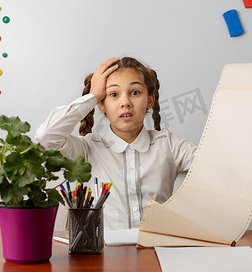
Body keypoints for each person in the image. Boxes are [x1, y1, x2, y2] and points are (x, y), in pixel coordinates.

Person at [36, 57, 196, 230]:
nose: (125, 102)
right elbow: (46, 136)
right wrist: (93, 97)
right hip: (104, 255)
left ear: (150, 100)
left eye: (135, 92)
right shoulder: (88, 149)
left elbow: (215, 163)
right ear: (102, 105)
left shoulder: (169, 144)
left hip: (156, 252)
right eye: (113, 94)